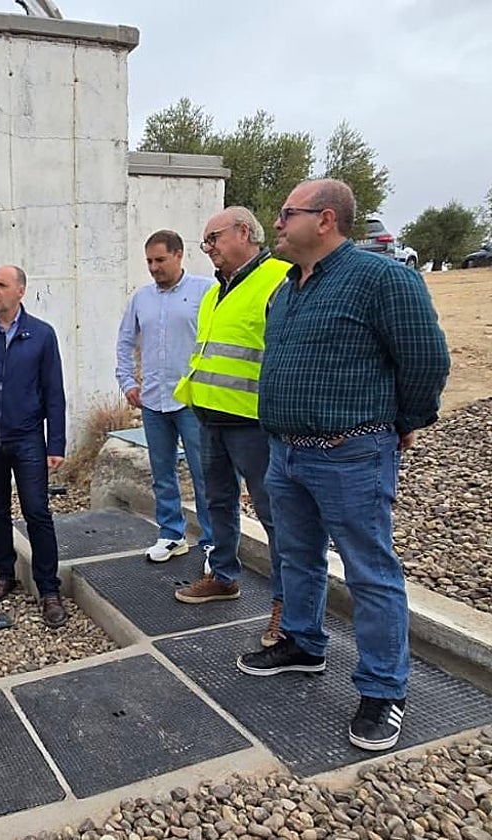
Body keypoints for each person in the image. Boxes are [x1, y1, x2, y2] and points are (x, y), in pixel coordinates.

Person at [238, 179, 449, 752]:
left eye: (287, 214)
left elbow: (427, 362)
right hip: (286, 453)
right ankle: (304, 645)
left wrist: (404, 420)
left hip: (351, 455)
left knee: (369, 570)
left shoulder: (383, 279)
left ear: (325, 220)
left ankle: (384, 689)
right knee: (296, 557)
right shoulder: (286, 287)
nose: (276, 224)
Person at [171, 207, 291, 649]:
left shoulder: (279, 278)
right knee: (217, 502)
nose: (208, 249)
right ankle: (223, 576)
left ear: (244, 232)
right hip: (210, 418)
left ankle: (286, 606)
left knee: (276, 516)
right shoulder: (215, 291)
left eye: (213, 239)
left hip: (254, 424)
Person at [0, 265, 68, 628]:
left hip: (27, 438)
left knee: (37, 511)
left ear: (20, 291)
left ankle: (49, 589)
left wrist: (56, 443)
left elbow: (54, 393)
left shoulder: (41, 335)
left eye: (1, 285)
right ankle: (4, 574)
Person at [115, 229, 216, 563]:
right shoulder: (141, 298)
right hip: (154, 401)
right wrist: (128, 381)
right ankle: (171, 534)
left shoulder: (206, 292)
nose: (154, 267)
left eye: (160, 260)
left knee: (206, 474)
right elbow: (125, 341)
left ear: (178, 255)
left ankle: (213, 540)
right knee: (162, 472)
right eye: (149, 261)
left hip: (192, 401)